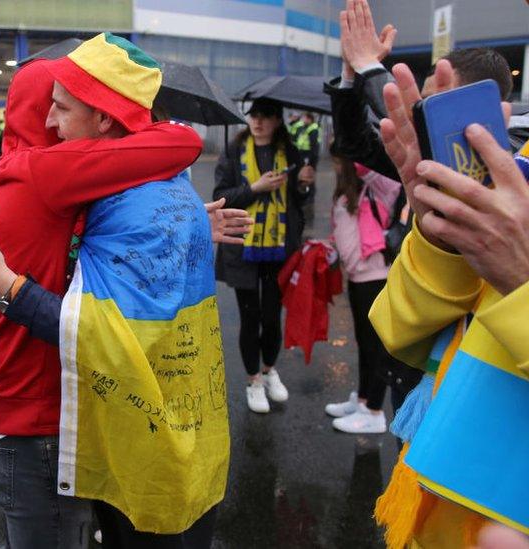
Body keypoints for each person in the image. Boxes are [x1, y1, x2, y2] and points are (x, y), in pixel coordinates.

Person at [0, 34, 219, 547]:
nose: (55, 122)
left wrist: (161, 229)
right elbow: (183, 141)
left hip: (19, 408)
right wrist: (5, 285)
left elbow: (82, 237)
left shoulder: (37, 179)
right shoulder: (46, 173)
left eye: (65, 106)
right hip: (34, 418)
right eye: (51, 106)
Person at [369, 56, 529, 548]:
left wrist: (522, 281)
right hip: (435, 502)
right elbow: (403, 335)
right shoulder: (517, 171)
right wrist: (443, 240)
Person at [327, 0, 513, 182]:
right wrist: (350, 73)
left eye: (437, 102)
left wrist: (369, 67)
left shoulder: (519, 156)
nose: (420, 110)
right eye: (424, 101)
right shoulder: (418, 160)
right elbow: (355, 145)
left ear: (483, 103)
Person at [213, 97, 315, 414]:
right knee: (250, 317)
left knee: (272, 317)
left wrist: (304, 186)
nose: (257, 122)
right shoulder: (233, 151)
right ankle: (253, 379)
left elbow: (300, 202)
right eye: (253, 116)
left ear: (277, 121)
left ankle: (270, 370)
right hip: (241, 246)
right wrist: (255, 188)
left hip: (279, 248)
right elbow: (220, 197)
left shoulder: (292, 154)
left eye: (264, 117)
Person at [325, 151, 420, 434]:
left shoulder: (380, 186)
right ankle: (363, 398)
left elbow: (370, 160)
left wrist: (353, 146)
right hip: (355, 276)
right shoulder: (346, 191)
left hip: (376, 275)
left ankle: (375, 411)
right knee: (364, 344)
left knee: (377, 347)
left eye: (339, 157)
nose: (337, 163)